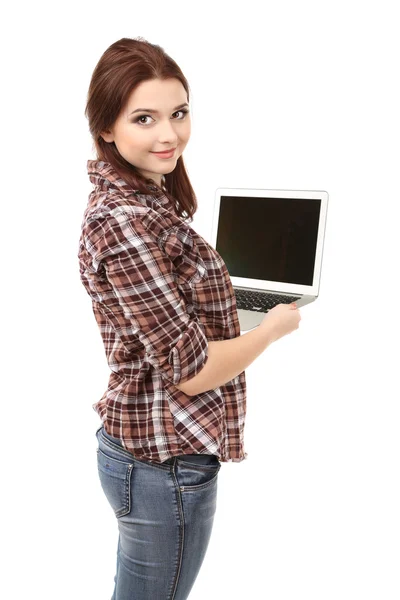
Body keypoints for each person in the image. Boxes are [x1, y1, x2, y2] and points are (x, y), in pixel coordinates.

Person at [77, 36, 301, 600]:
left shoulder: (148, 202)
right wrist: (271, 328)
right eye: (144, 118)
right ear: (106, 127)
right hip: (162, 463)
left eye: (178, 113)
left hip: (153, 455)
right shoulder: (125, 223)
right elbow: (192, 371)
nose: (169, 134)